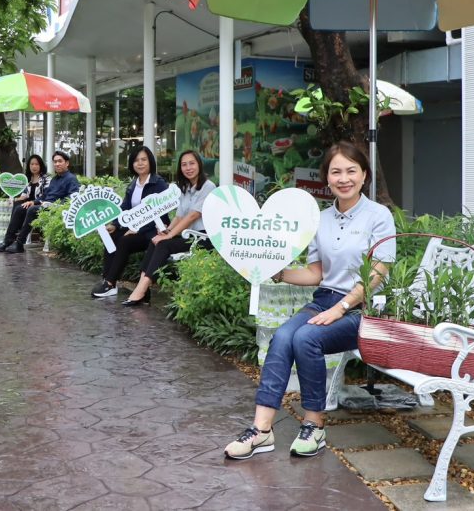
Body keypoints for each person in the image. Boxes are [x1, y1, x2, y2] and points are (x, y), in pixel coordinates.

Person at [223, 141, 395, 460]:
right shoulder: (320, 219)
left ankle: (314, 425)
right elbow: (317, 273)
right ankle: (262, 430)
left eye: (351, 171)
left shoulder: (379, 216)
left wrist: (341, 308)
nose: (344, 178)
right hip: (324, 299)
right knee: (283, 336)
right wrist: (278, 273)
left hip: (363, 308)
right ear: (327, 178)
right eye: (336, 172)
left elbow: (377, 273)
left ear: (364, 175)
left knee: (306, 338)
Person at [121, 150, 216, 307]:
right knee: (155, 241)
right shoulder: (185, 187)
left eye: (192, 163)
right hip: (188, 236)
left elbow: (193, 216)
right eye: (184, 165)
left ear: (199, 164)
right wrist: (167, 230)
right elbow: (179, 217)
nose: (188, 168)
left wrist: (170, 235)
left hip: (203, 238)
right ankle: (142, 289)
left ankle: (141, 290)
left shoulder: (208, 186)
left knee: (164, 244)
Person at [90, 146, 169, 298]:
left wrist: (138, 228)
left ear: (150, 162)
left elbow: (161, 214)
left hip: (152, 231)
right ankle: (108, 281)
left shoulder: (159, 184)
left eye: (144, 160)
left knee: (125, 241)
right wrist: (115, 224)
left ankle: (110, 282)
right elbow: (124, 208)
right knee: (111, 236)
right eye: (136, 160)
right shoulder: (134, 184)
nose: (140, 163)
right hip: (135, 229)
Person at [0, 150, 80, 254]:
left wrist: (54, 204)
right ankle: (7, 241)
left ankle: (19, 244)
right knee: (20, 208)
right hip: (45, 205)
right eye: (55, 162)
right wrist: (34, 202)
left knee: (32, 210)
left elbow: (72, 198)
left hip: (55, 208)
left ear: (67, 163)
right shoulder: (55, 179)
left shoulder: (71, 179)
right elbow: (45, 196)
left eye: (60, 161)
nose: (57, 164)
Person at [0, 154, 49, 252]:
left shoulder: (46, 179)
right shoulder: (28, 179)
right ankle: (7, 240)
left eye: (36, 164)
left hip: (39, 204)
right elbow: (24, 195)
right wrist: (15, 199)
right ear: (29, 166)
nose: (34, 166)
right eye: (32, 164)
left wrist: (33, 202)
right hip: (28, 205)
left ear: (41, 165)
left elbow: (46, 196)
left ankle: (15, 241)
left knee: (20, 208)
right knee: (17, 204)